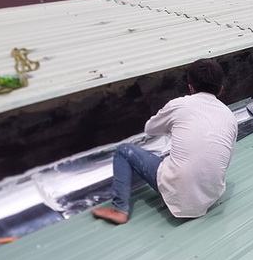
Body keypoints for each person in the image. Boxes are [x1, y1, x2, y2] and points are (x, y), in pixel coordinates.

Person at [92, 58, 238, 225]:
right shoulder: (230, 117)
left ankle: (119, 210)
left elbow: (150, 129)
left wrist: (173, 125)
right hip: (210, 197)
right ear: (220, 89)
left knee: (124, 150)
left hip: (180, 194)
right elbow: (225, 161)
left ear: (190, 87)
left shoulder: (179, 104)